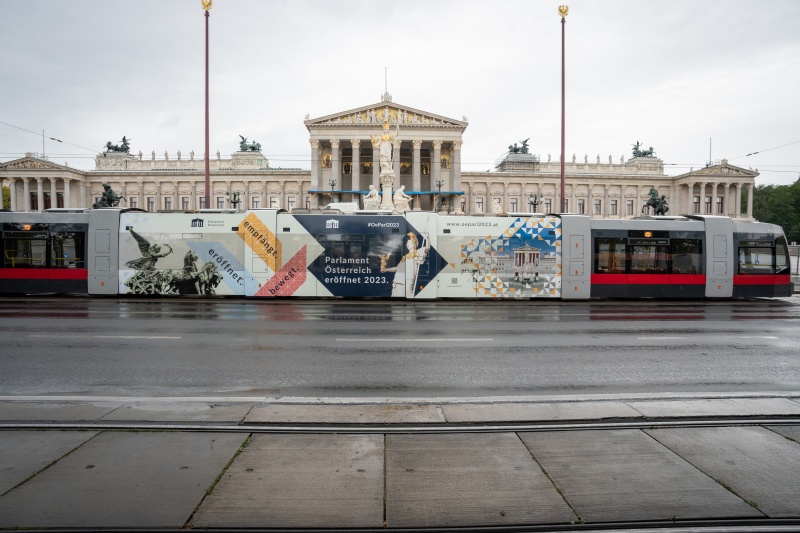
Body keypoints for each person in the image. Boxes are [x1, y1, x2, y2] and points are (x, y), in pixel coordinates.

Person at [380, 232, 430, 298]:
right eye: (407, 243)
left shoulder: (417, 253)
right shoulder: (404, 257)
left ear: (414, 244)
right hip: (398, 280)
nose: (407, 244)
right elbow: (398, 268)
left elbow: (427, 247)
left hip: (407, 280)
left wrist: (427, 236)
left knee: (409, 297)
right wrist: (386, 270)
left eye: (409, 242)